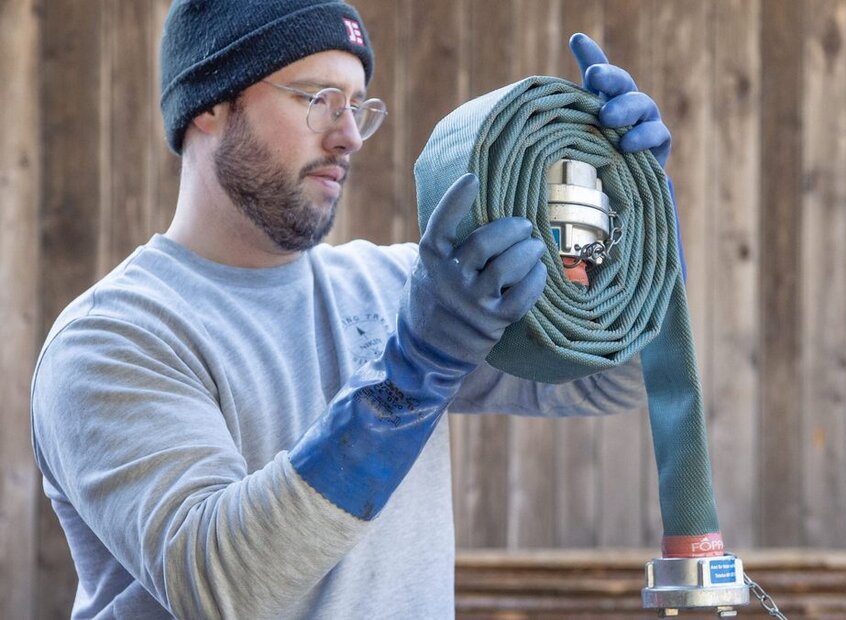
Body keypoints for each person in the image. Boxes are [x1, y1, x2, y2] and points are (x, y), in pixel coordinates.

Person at [30, 0, 674, 617]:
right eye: (318, 101)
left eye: (358, 106)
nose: (348, 137)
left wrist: (621, 220)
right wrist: (411, 375)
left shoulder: (399, 289)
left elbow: (621, 377)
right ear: (211, 105)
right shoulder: (113, 338)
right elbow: (223, 587)